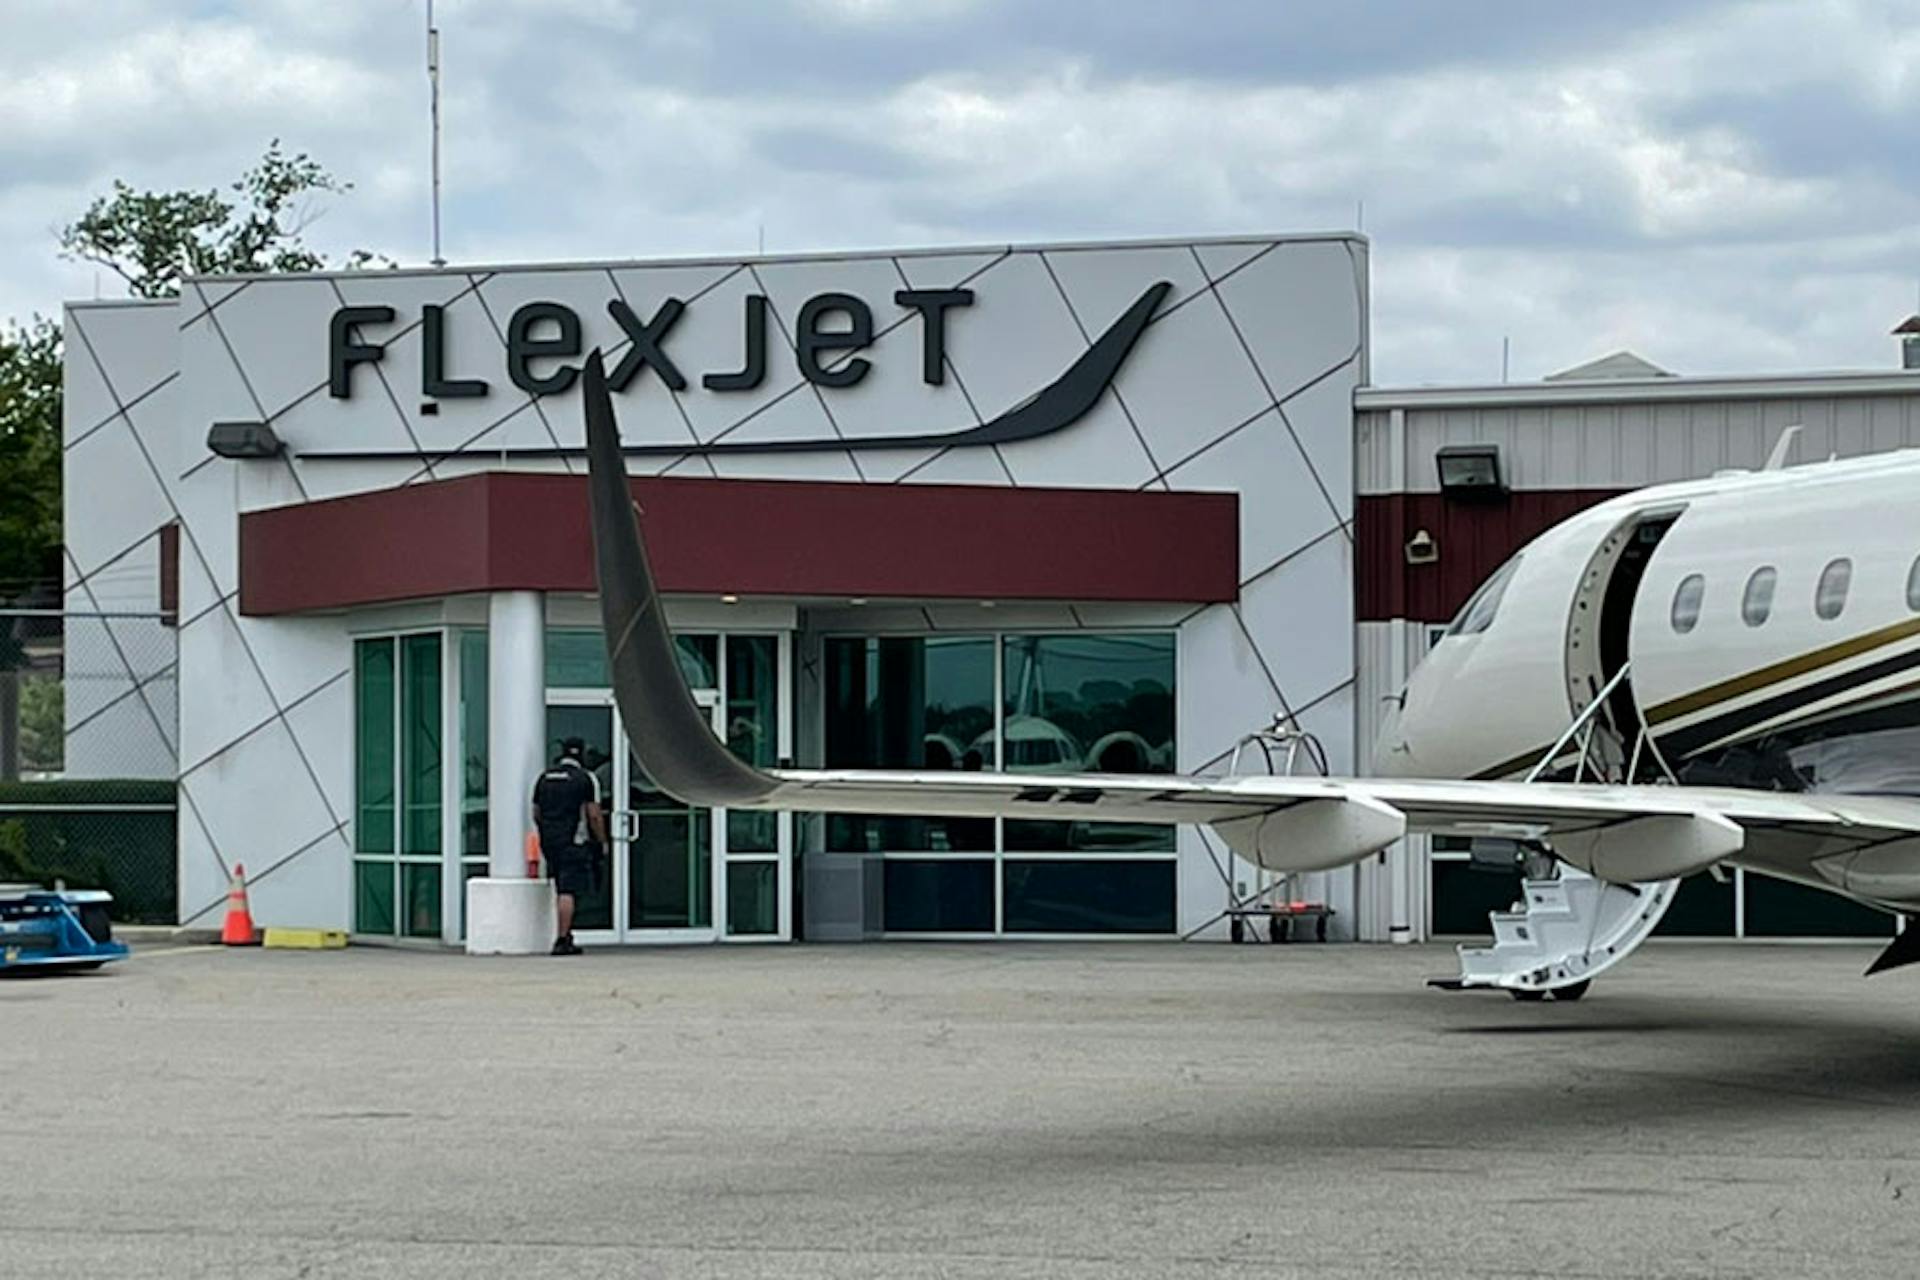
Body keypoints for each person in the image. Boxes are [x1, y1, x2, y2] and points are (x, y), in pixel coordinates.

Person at [531, 737, 608, 956]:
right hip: (573, 841)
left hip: (550, 842)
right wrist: (602, 841)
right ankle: (562, 939)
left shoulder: (544, 778)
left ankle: (564, 933)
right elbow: (593, 815)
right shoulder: (585, 778)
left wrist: (547, 831)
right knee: (568, 890)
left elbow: (536, 813)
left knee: (558, 886)